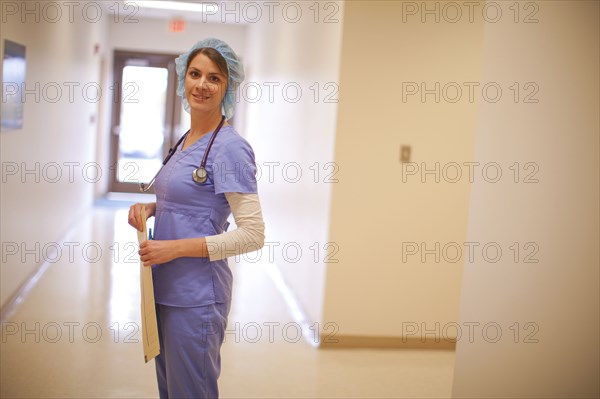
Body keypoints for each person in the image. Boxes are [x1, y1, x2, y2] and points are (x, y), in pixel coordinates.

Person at [128, 38, 265, 399]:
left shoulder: (230, 148)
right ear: (182, 78)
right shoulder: (186, 139)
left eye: (214, 78)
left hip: (198, 297)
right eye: (195, 74)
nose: (201, 85)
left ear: (227, 87)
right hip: (164, 288)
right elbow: (192, 201)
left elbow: (252, 235)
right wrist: (152, 209)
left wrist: (175, 248)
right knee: (170, 390)